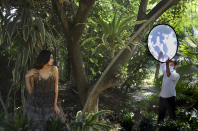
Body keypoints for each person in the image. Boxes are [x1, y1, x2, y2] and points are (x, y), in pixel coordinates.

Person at [24, 50, 63, 130]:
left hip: (50, 103)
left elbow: (56, 87)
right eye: (51, 58)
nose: (52, 60)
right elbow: (31, 91)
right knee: (37, 127)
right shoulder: (34, 71)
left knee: (51, 126)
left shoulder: (54, 69)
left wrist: (55, 104)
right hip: (36, 104)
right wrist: (27, 78)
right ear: (45, 58)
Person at [157, 57, 180, 123]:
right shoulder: (166, 69)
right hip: (162, 97)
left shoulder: (176, 75)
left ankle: (174, 128)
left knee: (172, 116)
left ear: (176, 66)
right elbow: (161, 60)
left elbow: (168, 74)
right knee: (160, 117)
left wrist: (167, 64)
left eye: (172, 64)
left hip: (170, 98)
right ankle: (160, 127)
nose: (170, 65)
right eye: (169, 64)